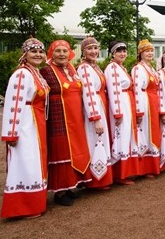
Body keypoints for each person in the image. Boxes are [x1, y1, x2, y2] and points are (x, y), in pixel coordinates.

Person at [0, 37, 50, 219]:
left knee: (34, 163)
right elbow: (14, 104)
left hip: (36, 123)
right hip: (26, 125)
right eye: (33, 51)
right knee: (25, 162)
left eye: (40, 52)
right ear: (25, 54)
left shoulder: (35, 72)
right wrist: (11, 134)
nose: (38, 55)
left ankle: (33, 202)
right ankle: (22, 206)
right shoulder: (22, 74)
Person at [40, 40, 91, 206]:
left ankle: (70, 185)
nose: (62, 54)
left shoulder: (71, 68)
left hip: (75, 115)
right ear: (51, 53)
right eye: (58, 51)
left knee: (74, 150)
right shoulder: (46, 70)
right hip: (58, 116)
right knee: (61, 150)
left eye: (65, 51)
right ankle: (60, 192)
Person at [76, 37, 113, 191]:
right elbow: (89, 92)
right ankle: (94, 180)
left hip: (100, 104)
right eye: (89, 48)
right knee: (94, 140)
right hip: (93, 108)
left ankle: (101, 177)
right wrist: (95, 118)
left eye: (95, 48)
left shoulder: (94, 67)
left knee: (100, 141)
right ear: (83, 51)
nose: (93, 51)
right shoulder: (84, 68)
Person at [104, 41, 140, 185]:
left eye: (124, 51)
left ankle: (124, 172)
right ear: (112, 54)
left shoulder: (120, 67)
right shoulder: (112, 68)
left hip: (126, 102)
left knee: (126, 137)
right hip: (120, 103)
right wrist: (117, 113)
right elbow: (113, 90)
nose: (123, 54)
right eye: (119, 51)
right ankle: (119, 173)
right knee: (120, 137)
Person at [132, 39, 165, 177]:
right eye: (147, 51)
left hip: (153, 102)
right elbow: (137, 90)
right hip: (145, 103)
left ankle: (154, 165)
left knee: (154, 132)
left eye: (152, 51)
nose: (150, 53)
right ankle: (145, 168)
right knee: (146, 133)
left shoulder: (152, 69)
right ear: (140, 54)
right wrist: (139, 110)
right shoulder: (138, 68)